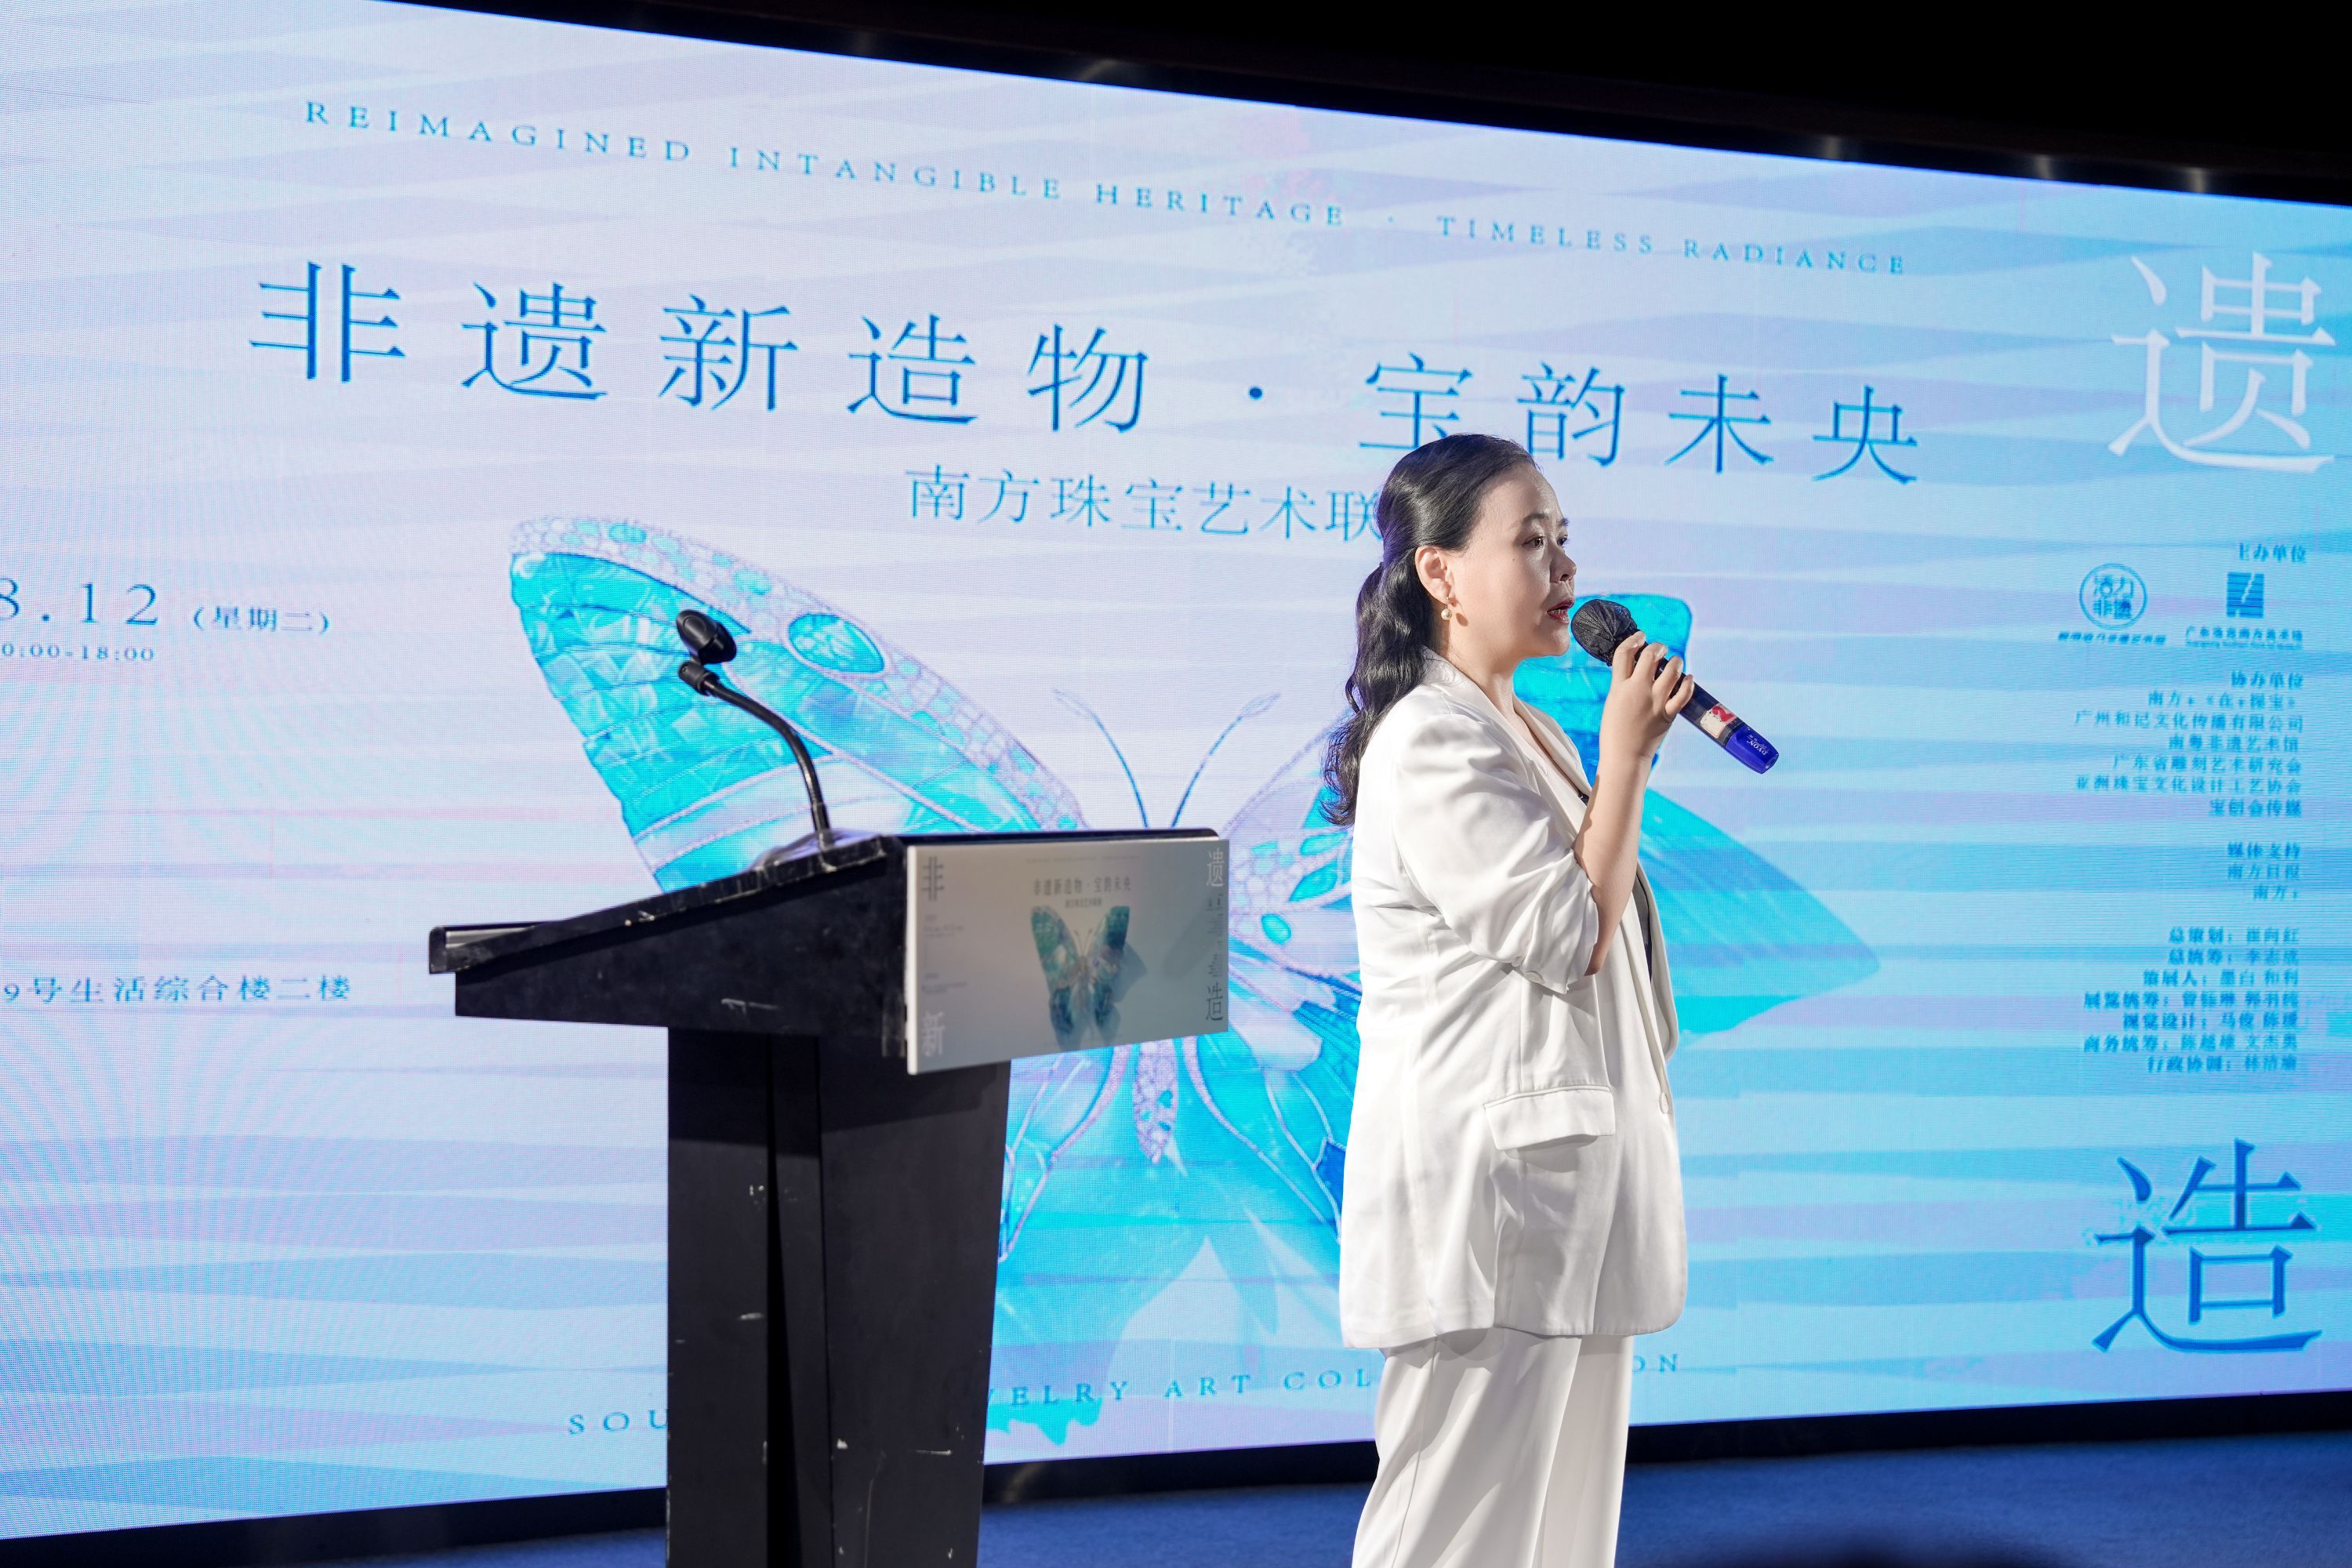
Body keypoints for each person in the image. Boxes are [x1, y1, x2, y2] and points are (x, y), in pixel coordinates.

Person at [1323, 433, 1692, 1568]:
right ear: (1440, 573)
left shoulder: (1520, 723)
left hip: (1567, 1193)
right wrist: (1627, 763)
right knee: (1454, 1540)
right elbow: (1569, 935)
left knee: (1561, 1541)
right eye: (1531, 542)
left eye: (1564, 540)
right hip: (1488, 1206)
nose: (1565, 569)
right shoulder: (1430, 740)